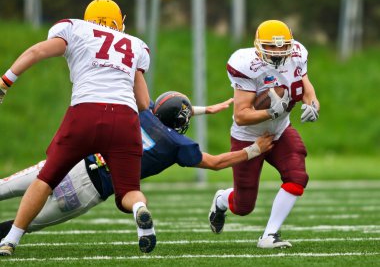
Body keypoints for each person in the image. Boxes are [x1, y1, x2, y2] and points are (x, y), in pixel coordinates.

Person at [0, 91, 274, 241]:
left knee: (5, 187)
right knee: (23, 225)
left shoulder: (140, 111)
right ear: (181, 122)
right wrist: (253, 150)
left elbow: (157, 106)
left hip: (72, 163)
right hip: (93, 189)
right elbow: (215, 163)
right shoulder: (178, 145)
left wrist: (203, 109)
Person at [0, 0, 156, 256]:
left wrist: (6, 81)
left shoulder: (76, 29)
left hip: (86, 113)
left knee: (46, 178)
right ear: (120, 21)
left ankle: (11, 240)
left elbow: (36, 52)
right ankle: (140, 211)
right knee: (129, 191)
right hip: (124, 121)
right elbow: (142, 102)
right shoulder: (135, 45)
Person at [208, 20, 320, 248]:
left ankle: (269, 235)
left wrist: (313, 104)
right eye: (272, 46)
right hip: (248, 137)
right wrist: (270, 111)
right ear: (258, 45)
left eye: (283, 46)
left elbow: (306, 86)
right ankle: (221, 200)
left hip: (280, 131)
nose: (279, 52)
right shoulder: (246, 63)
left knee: (297, 176)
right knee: (243, 206)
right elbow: (241, 115)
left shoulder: (297, 54)